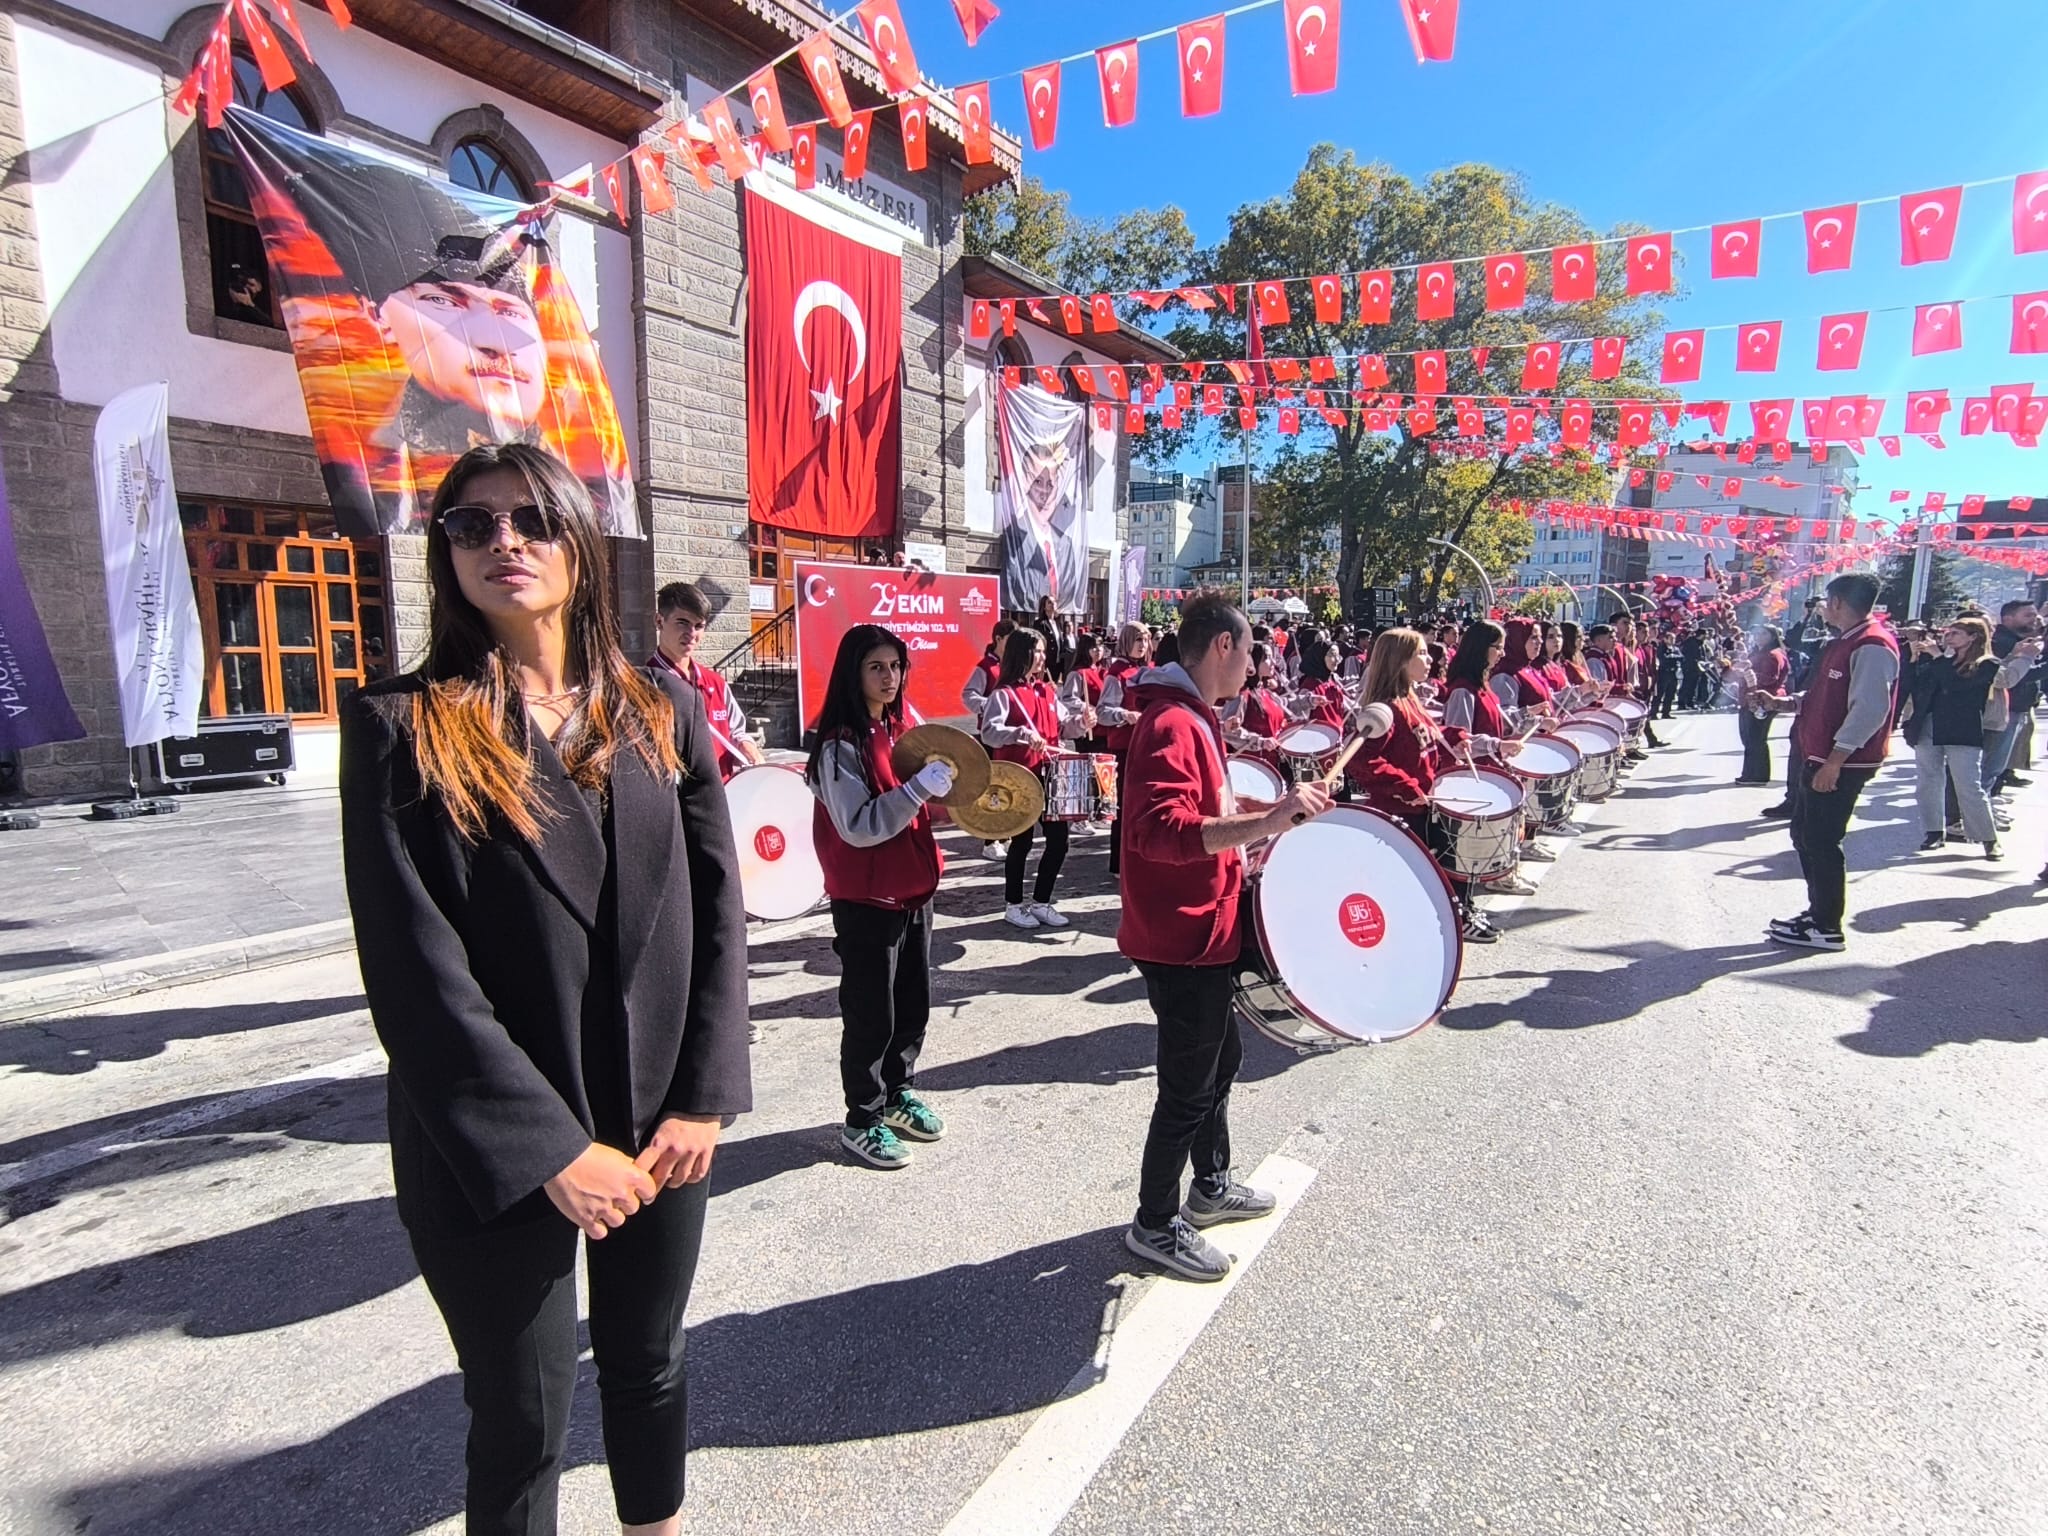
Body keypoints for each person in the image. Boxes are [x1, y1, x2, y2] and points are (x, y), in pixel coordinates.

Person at [339, 443, 750, 1536]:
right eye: (470, 527)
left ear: (576, 539)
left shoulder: (660, 707)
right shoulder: (401, 727)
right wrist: (551, 1153)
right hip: (497, 1143)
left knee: (649, 1365)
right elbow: (415, 977)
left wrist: (702, 1095)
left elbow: (716, 915)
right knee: (522, 1415)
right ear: (445, 558)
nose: (502, 542)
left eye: (526, 519)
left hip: (662, 1117)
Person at [1117, 591, 1332, 1281]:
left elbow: (1210, 806)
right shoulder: (1172, 723)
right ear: (1221, 647)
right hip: (1181, 938)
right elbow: (1159, 834)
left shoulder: (1193, 718)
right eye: (1249, 652)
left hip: (1206, 930)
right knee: (1186, 1087)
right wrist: (1269, 825)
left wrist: (1274, 811)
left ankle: (1208, 1185)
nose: (1255, 666)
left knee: (1222, 1062)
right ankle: (1155, 1222)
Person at [806, 625, 950, 1169]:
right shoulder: (838, 744)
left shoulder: (901, 726)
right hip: (866, 900)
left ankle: (896, 1094)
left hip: (912, 891)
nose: (889, 677)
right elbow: (861, 825)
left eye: (895, 666)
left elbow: (923, 805)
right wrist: (915, 791)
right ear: (853, 673)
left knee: (912, 1004)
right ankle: (861, 1118)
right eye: (876, 668)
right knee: (871, 1014)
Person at [1748, 573, 1900, 952]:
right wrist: (1786, 702)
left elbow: (1869, 710)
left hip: (1841, 762)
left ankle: (1826, 925)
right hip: (1817, 754)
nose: (1821, 609)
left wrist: (1836, 760)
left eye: (1824, 602)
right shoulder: (1843, 642)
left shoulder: (1872, 644)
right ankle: (1818, 913)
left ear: (1835, 602)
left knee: (1821, 840)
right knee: (1804, 834)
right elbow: (1824, 696)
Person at [1348, 627, 1505, 943]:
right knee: (1405, 882)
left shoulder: (1410, 699)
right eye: (1420, 653)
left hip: (1419, 807)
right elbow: (1360, 761)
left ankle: (1454, 915)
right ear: (1400, 661)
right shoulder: (1384, 710)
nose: (1429, 658)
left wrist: (1456, 737)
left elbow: (1429, 732)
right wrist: (1406, 787)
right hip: (1399, 813)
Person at [980, 627, 1089, 928]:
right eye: (1037, 651)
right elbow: (990, 731)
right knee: (1022, 841)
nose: (1043, 657)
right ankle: (1013, 904)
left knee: (1059, 842)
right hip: (1020, 778)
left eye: (1043, 651)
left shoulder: (1046, 691)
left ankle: (1041, 902)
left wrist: (1081, 722)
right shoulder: (1004, 694)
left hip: (1052, 774)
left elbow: (1064, 726)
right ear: (1021, 654)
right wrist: (1020, 734)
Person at [1440, 620, 1528, 913]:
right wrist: (1496, 746)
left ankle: (1475, 898)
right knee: (1468, 853)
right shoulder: (1462, 690)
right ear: (1482, 649)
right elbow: (1457, 737)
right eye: (1498, 646)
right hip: (1472, 778)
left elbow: (1496, 724)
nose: (1502, 653)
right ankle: (1462, 908)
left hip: (1489, 770)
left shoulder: (1483, 685)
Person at [1902, 617, 2006, 860]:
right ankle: (1933, 832)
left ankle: (1988, 838)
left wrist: (1937, 656)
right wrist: (1915, 659)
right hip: (1928, 725)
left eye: (1957, 633)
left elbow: (1957, 686)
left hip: (1962, 729)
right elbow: (1915, 687)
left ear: (1973, 637)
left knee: (1968, 784)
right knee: (1928, 780)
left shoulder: (1987, 663)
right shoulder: (1941, 660)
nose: (1949, 637)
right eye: (1948, 633)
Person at [649, 581, 764, 781]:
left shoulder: (715, 683)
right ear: (659, 622)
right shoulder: (644, 686)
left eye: (699, 625)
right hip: (677, 803)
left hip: (723, 795)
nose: (692, 634)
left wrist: (747, 746)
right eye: (682, 622)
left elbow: (737, 731)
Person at [1096, 621, 1152, 876]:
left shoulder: (1150, 670)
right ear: (1127, 641)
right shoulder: (1116, 673)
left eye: (1146, 640)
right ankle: (1119, 862)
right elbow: (1103, 712)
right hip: (1124, 747)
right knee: (1123, 807)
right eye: (1138, 640)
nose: (1143, 645)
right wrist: (1125, 715)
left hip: (1147, 745)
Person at [1985, 600, 2047, 794]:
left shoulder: (2021, 639)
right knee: (1992, 765)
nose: (2034, 619)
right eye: (2027, 615)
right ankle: (1977, 810)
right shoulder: (2002, 642)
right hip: (2005, 709)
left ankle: (1989, 801)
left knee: (2000, 764)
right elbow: (2019, 676)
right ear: (2008, 619)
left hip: (2019, 707)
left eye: (2035, 615)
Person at [1735, 626, 1789, 786]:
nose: (1758, 636)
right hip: (1750, 699)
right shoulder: (1758, 653)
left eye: (1763, 633)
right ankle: (1751, 773)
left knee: (1755, 738)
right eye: (1757, 633)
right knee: (1750, 738)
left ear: (1772, 636)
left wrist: (1748, 673)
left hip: (1761, 701)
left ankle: (1757, 775)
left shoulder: (1773, 654)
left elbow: (1770, 678)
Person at [1296, 637, 1350, 731]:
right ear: (1320, 657)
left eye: (1338, 655)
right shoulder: (1309, 688)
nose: (1337, 659)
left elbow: (1345, 707)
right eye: (1333, 655)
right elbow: (1301, 721)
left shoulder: (1331, 682)